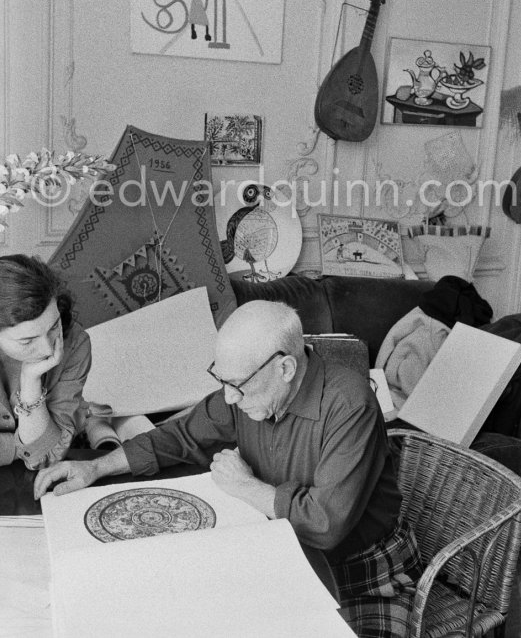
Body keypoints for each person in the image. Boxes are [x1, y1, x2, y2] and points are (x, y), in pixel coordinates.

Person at [34, 300, 422, 637]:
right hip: (282, 551)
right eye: (221, 380)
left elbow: (325, 524)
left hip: (367, 572)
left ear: (286, 368)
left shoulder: (349, 404)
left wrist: (246, 486)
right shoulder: (249, 390)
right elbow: (180, 436)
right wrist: (97, 468)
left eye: (237, 385)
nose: (229, 397)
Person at [0, 254, 91, 470]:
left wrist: (31, 381)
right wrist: (20, 447)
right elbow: (41, 447)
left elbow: (46, 456)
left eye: (53, 326)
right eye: (27, 341)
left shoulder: (75, 342)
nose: (49, 350)